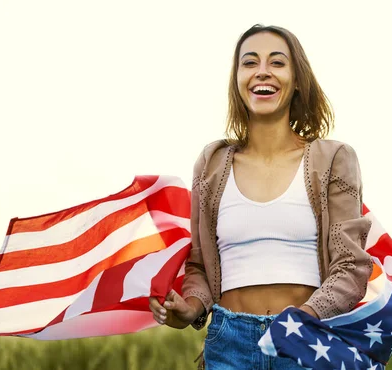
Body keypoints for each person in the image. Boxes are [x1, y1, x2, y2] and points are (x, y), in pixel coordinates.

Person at [149, 24, 373, 369]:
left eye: (277, 62)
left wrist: (302, 319)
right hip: (229, 344)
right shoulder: (211, 163)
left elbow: (350, 266)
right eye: (249, 62)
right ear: (237, 79)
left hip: (308, 342)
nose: (262, 71)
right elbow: (199, 265)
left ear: (297, 79)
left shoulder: (334, 158)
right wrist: (190, 308)